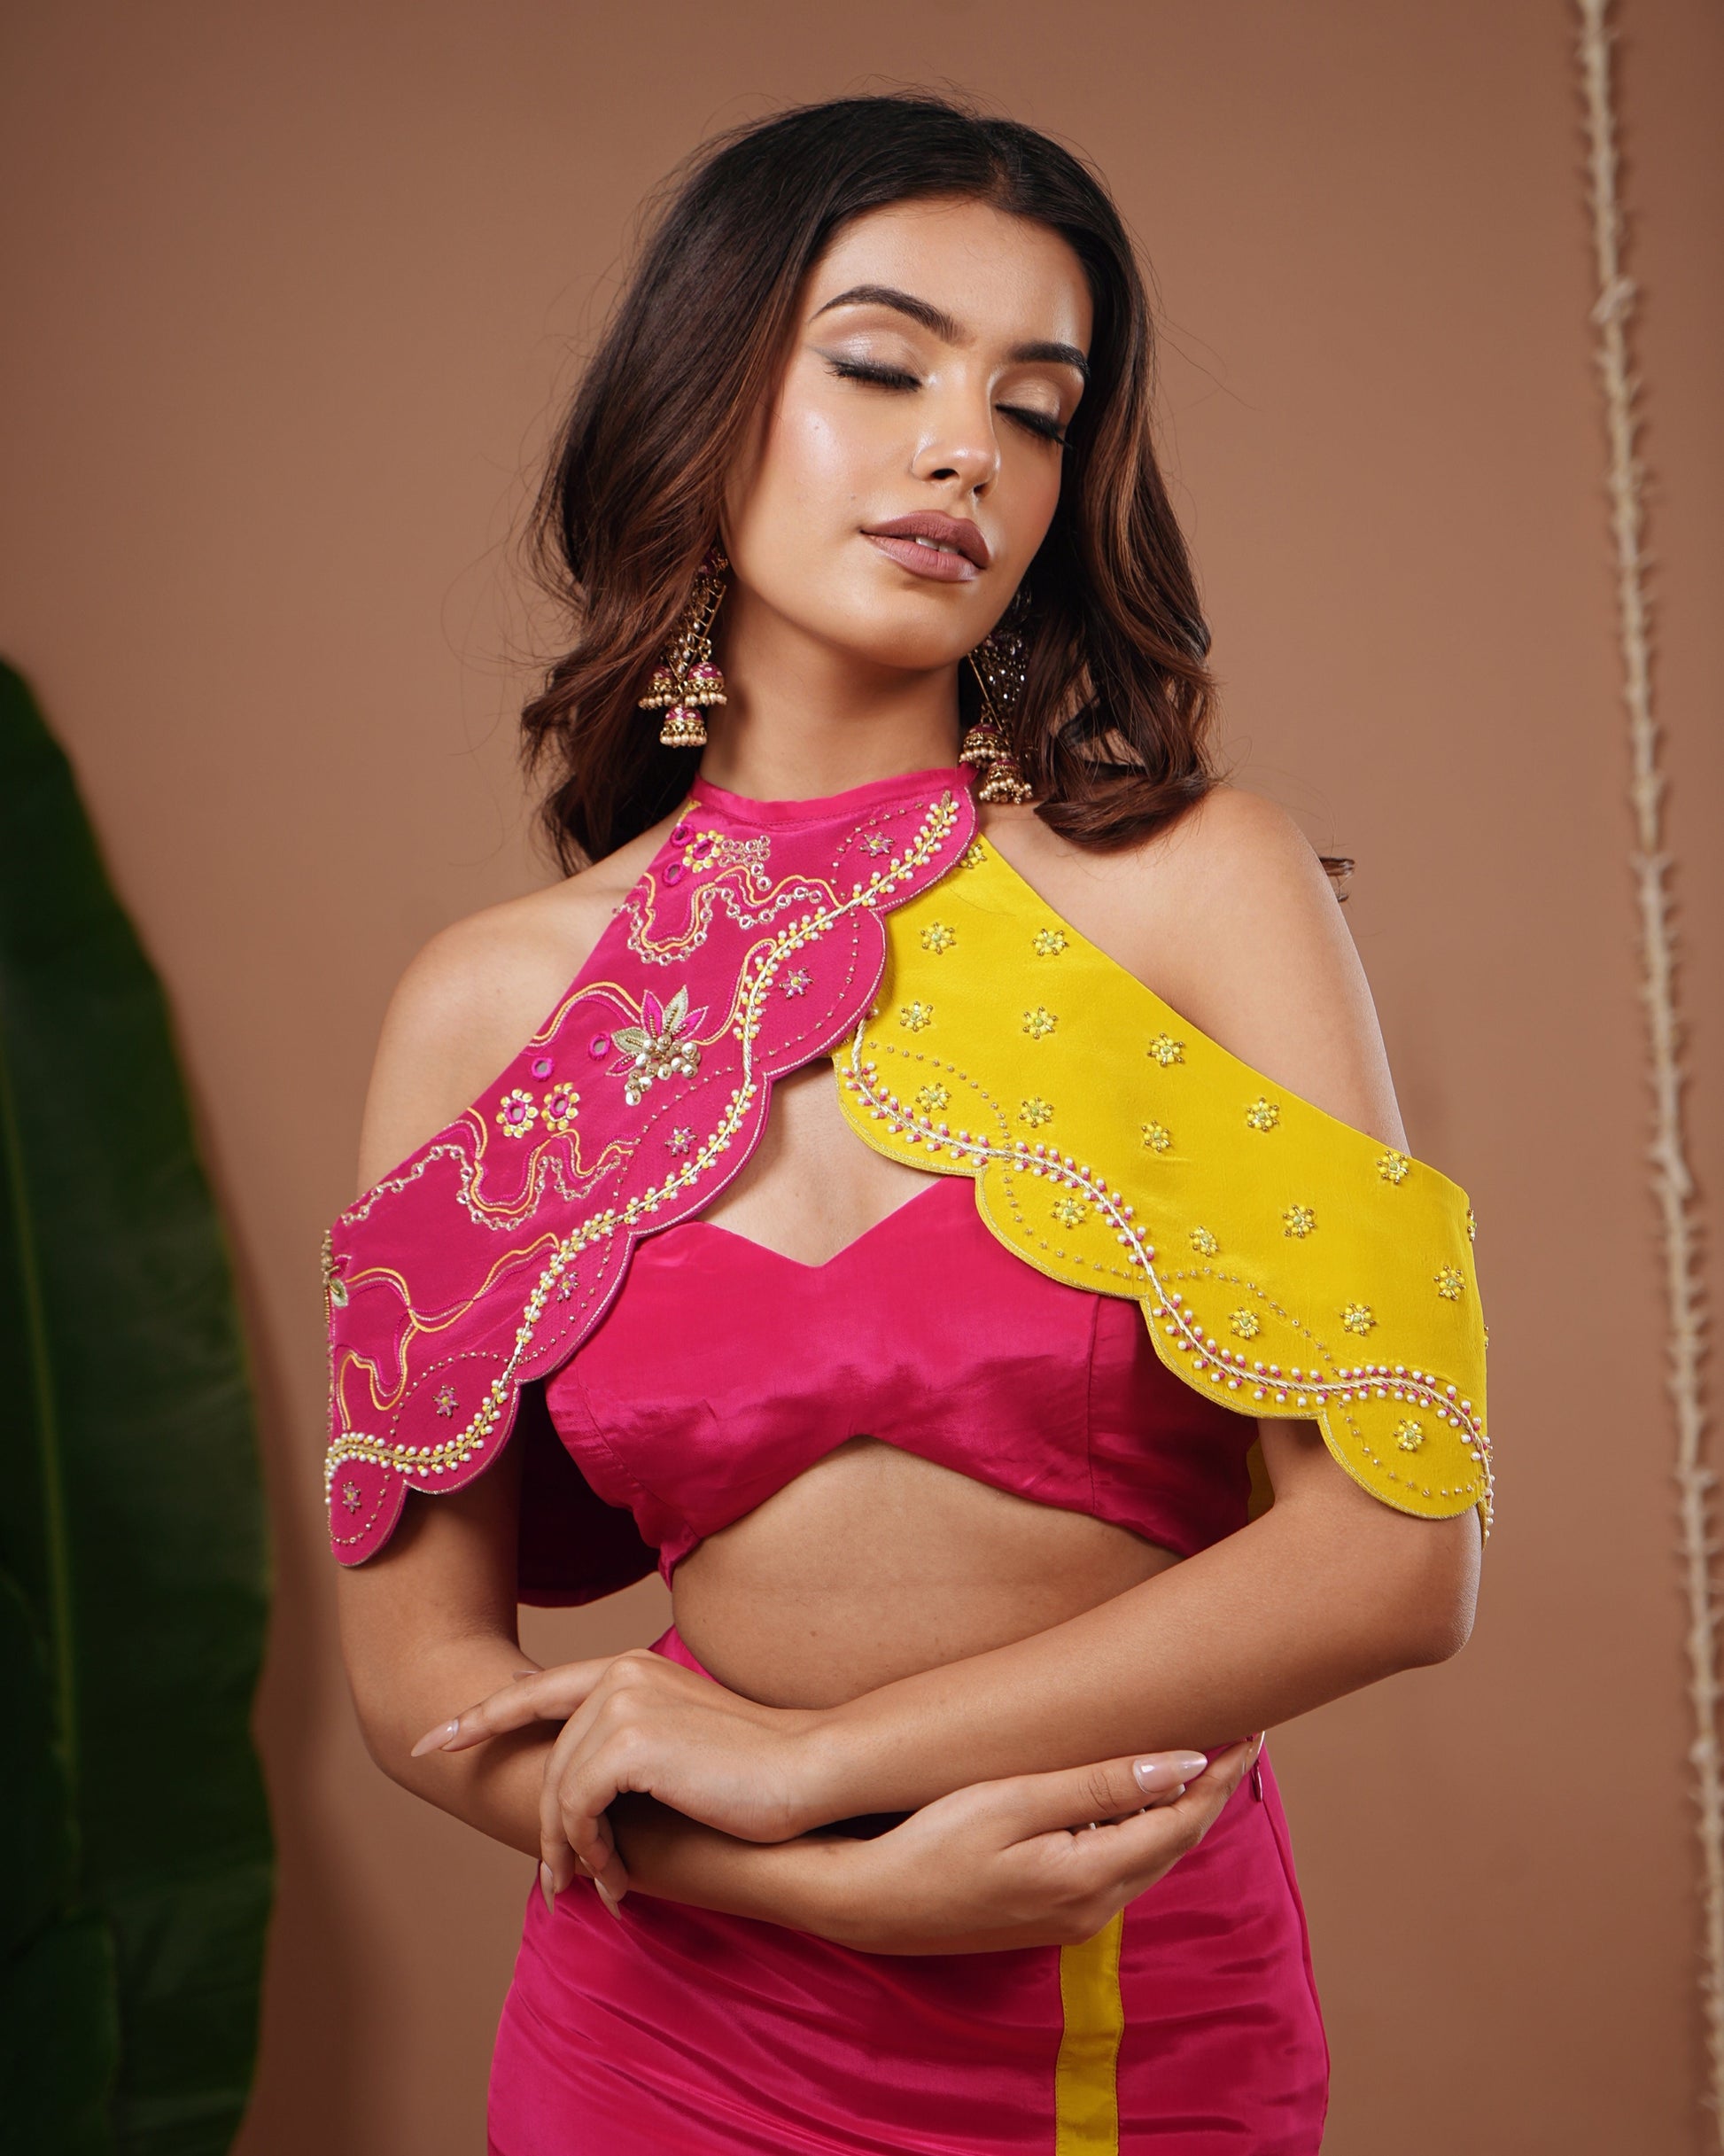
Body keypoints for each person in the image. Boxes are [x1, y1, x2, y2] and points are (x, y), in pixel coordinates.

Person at [325, 93, 1488, 2155]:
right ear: (700, 404)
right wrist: (806, 1877)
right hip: (655, 2028)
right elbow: (420, 1673)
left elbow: (1397, 1553)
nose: (966, 448)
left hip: (1120, 1999)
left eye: (1035, 409)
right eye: (882, 366)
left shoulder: (1197, 888)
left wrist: (821, 1761)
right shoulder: (487, 1007)